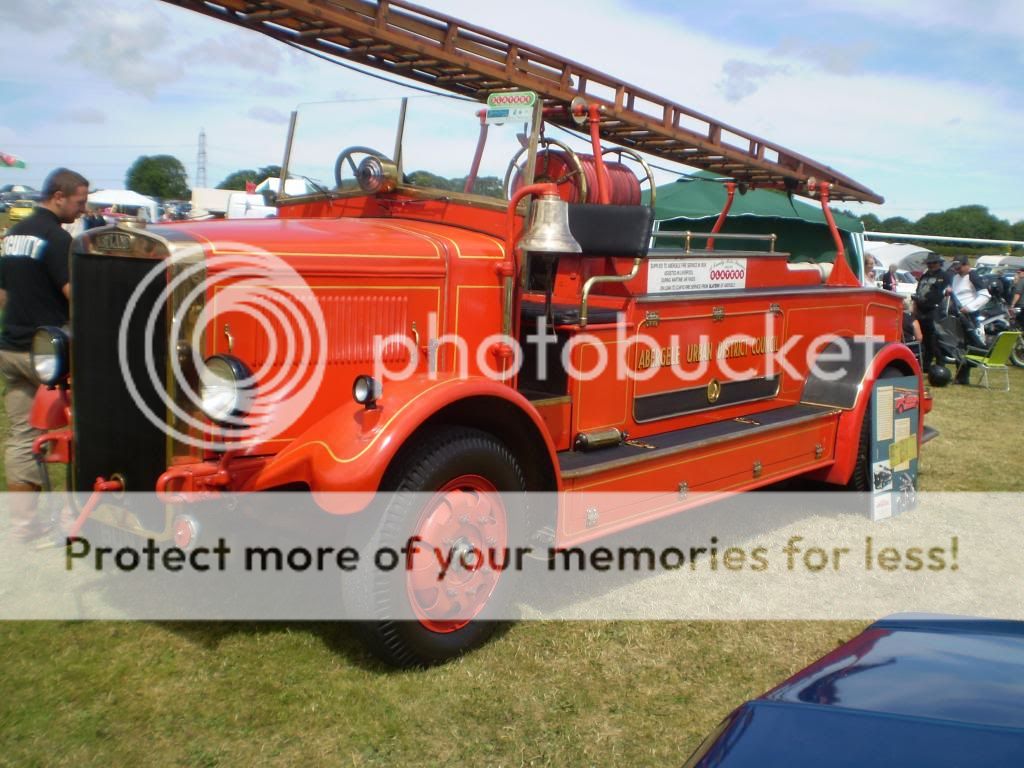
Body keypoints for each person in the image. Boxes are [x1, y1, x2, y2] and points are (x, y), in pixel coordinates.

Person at [0, 167, 88, 541]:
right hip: (47, 354)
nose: (81, 211)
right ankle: (78, 519)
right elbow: (74, 294)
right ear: (58, 195)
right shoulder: (55, 237)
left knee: (21, 438)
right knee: (83, 431)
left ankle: (24, 527)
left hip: (10, 347)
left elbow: (2, 294)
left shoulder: (12, 235)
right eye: (79, 202)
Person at [912, 253, 950, 374]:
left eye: (933, 263)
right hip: (921, 310)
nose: (931, 265)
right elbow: (918, 290)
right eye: (929, 263)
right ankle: (925, 365)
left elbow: (941, 292)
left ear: (939, 263)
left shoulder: (944, 276)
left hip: (934, 310)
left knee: (934, 339)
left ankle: (940, 363)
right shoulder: (925, 276)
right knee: (923, 339)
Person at [949, 258, 989, 349]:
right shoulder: (955, 277)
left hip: (970, 316)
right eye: (955, 268)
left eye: (959, 268)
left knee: (973, 343)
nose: (957, 270)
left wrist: (969, 307)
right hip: (957, 314)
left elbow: (985, 295)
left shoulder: (973, 276)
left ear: (967, 265)